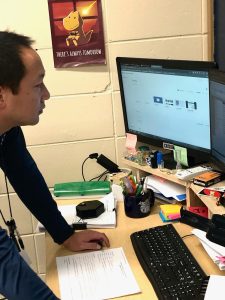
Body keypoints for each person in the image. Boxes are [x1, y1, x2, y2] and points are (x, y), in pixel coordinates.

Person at [0, 30, 110, 300]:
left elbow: (26, 177)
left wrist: (64, 234)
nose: (46, 95)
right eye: (38, 85)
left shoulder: (7, 130)